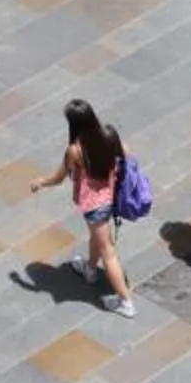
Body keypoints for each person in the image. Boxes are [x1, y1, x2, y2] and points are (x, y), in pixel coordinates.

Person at [28, 97, 136, 319]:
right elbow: (127, 153)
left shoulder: (75, 150)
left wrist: (40, 182)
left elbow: (59, 178)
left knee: (108, 252)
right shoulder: (109, 134)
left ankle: (125, 302)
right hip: (111, 197)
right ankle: (90, 270)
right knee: (97, 238)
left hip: (94, 205)